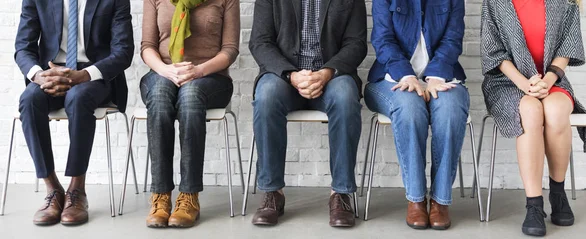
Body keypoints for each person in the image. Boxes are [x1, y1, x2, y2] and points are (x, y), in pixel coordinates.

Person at [249, 0, 367, 227]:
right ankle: (273, 192)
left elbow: (356, 44)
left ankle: (340, 194)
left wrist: (326, 73)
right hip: (285, 76)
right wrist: (291, 75)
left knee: (345, 97)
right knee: (266, 97)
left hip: (331, 76)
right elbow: (260, 42)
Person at [14, 0, 133, 225]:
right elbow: (23, 47)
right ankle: (53, 189)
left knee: (78, 98)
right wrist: (39, 76)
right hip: (50, 72)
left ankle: (77, 191)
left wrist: (83, 75)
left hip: (93, 75)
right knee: (29, 99)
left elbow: (124, 51)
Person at [481, 0, 586, 236]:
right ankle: (534, 205)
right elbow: (493, 52)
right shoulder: (495, 3)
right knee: (530, 110)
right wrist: (524, 84)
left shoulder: (566, 2)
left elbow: (566, 50)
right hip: (506, 83)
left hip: (552, 81)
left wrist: (547, 81)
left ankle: (558, 194)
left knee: (557, 110)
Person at [364, 0, 467, 230]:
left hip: (442, 78)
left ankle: (440, 201)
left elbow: (453, 38)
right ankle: (416, 198)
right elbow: (383, 39)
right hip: (391, 78)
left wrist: (436, 76)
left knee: (449, 110)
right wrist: (407, 75)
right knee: (410, 108)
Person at [140, 0, 239, 228]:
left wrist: (198, 70)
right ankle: (160, 195)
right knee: (160, 97)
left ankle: (189, 196)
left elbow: (230, 50)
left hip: (211, 76)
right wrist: (165, 70)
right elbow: (147, 46)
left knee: (191, 95)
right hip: (163, 71)